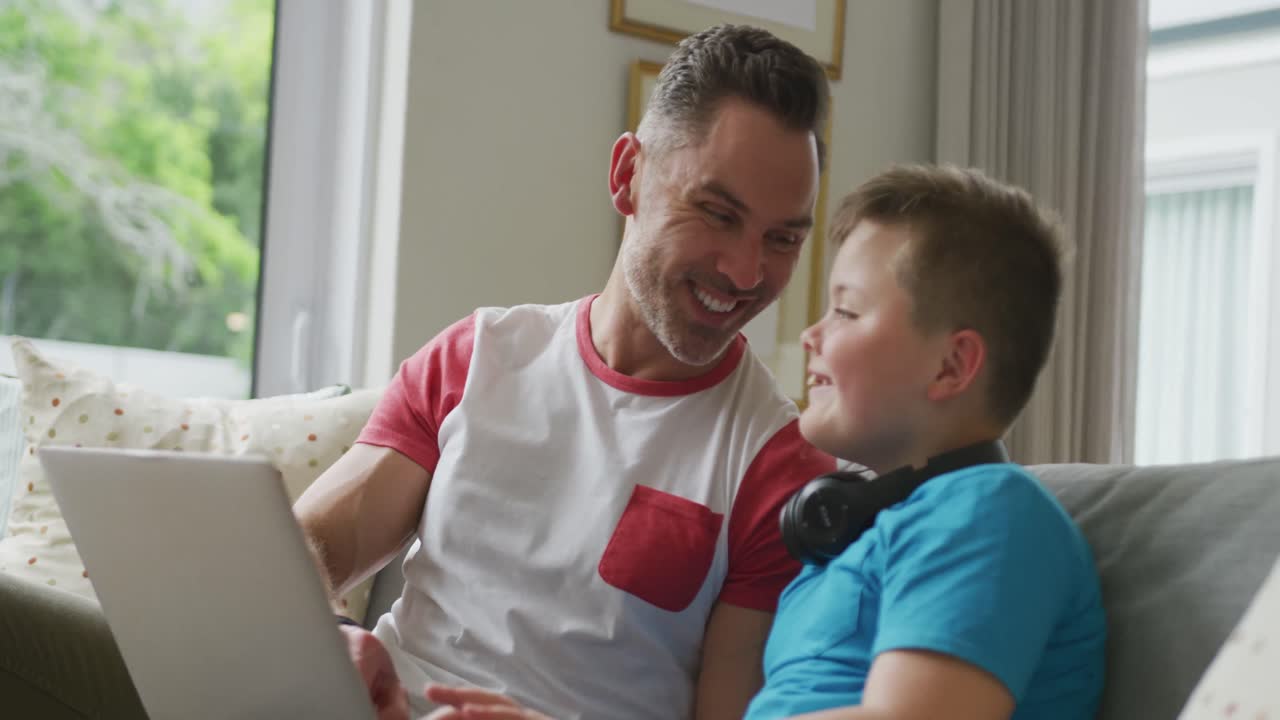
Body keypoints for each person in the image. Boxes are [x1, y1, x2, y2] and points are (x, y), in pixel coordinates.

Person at [422, 166, 1107, 720]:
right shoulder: (864, 537)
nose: (811, 335)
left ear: (952, 367)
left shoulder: (989, 514)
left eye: (845, 309)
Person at [294, 23, 837, 720]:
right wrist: (334, 638)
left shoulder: (779, 469)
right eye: (717, 213)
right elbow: (305, 546)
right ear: (626, 177)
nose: (745, 272)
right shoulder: (477, 357)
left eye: (783, 238)